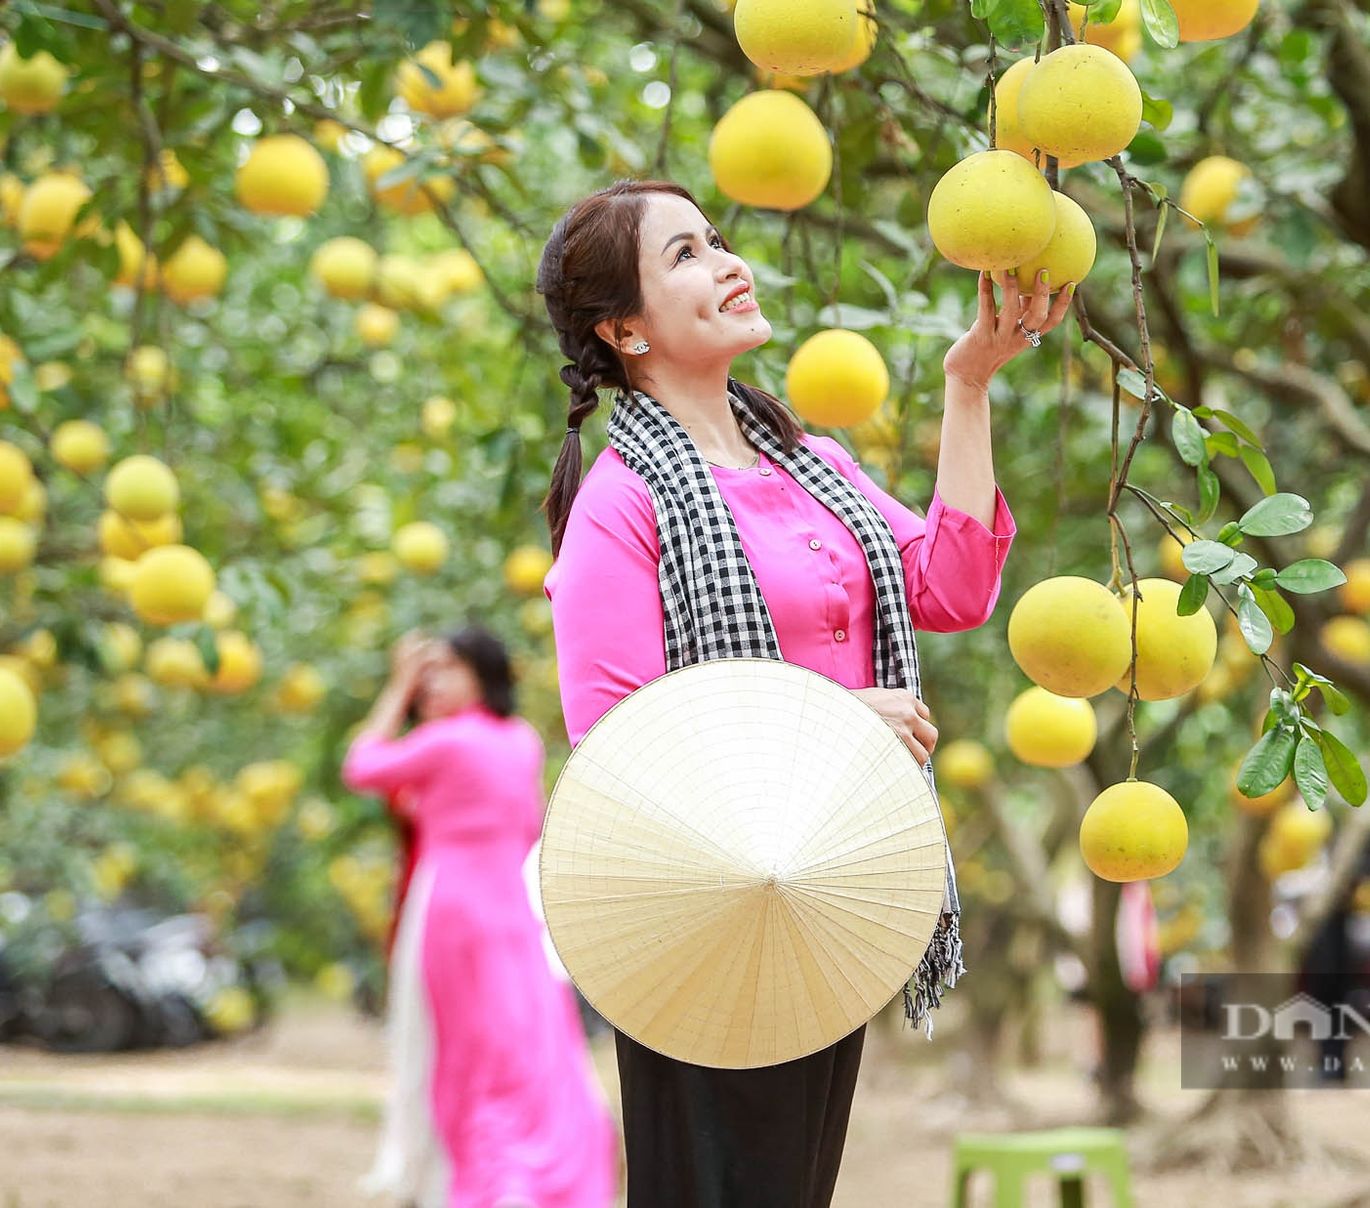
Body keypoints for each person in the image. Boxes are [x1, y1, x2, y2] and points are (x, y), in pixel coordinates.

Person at [538, 180, 1066, 1208]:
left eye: (718, 239)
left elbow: (949, 588)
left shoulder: (811, 466)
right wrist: (818, 721)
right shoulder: (622, 497)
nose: (728, 263)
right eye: (685, 254)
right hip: (696, 918)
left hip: (824, 890)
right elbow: (615, 749)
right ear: (625, 329)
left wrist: (969, 384)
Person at [344, 627, 619, 1208]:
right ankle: (541, 1169)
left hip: (450, 908)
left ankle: (478, 1175)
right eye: (423, 674)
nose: (430, 683)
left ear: (480, 672)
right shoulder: (520, 740)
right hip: (512, 911)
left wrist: (394, 690)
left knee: (458, 1046)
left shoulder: (446, 743)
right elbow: (530, 825)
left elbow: (362, 766)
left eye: (444, 669)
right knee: (527, 1042)